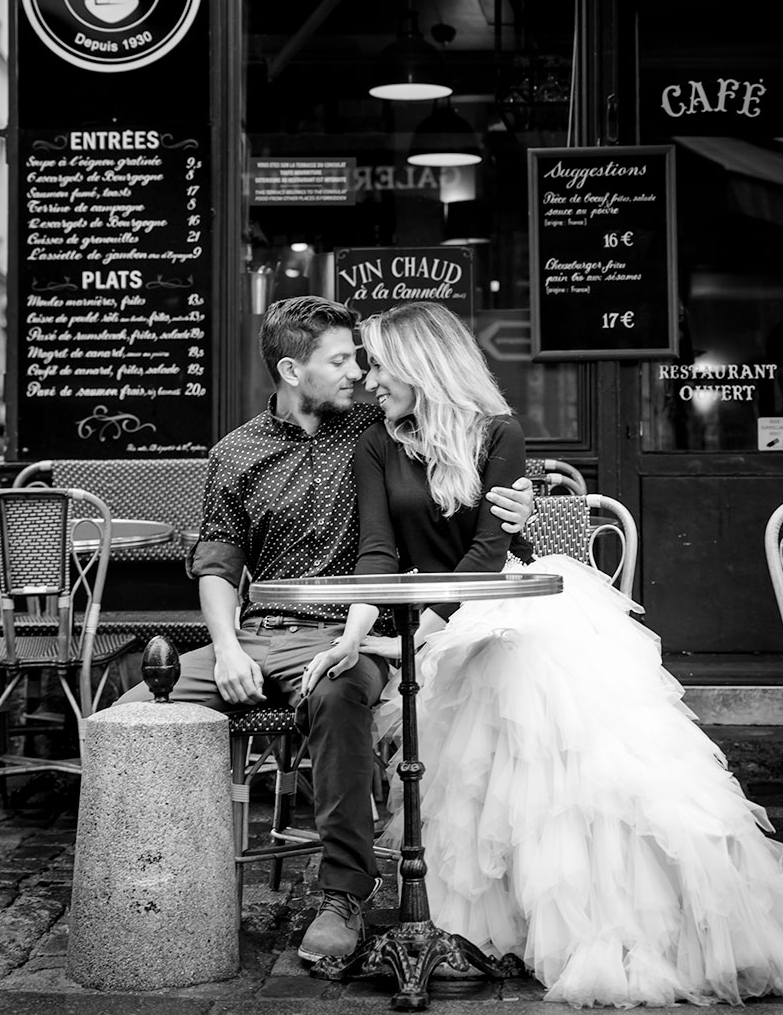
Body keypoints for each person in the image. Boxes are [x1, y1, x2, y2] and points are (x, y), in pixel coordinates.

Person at [303, 300, 783, 1008]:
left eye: (379, 363)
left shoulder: (498, 432)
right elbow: (378, 549)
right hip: (440, 616)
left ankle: (617, 921)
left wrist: (427, 633)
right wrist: (356, 635)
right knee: (479, 778)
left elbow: (489, 551)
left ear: (421, 363)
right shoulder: (376, 444)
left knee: (563, 753)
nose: (371, 380)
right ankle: (511, 922)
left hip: (509, 605)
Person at [116, 295, 534, 965]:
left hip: (349, 632)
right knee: (130, 718)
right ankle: (151, 886)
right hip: (255, 633)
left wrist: (522, 501)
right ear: (290, 369)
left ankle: (342, 893)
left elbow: (465, 464)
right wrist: (224, 649)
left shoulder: (380, 424)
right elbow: (219, 558)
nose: (360, 373)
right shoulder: (235, 453)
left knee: (340, 695)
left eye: (363, 360)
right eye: (341, 360)